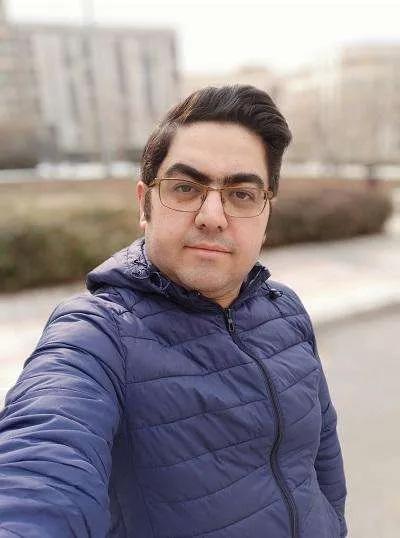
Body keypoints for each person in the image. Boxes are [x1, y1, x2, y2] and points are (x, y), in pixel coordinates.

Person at [0, 85, 347, 538]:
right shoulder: (97, 335)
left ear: (266, 214)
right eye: (185, 188)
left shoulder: (285, 311)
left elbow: (322, 461)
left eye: (242, 194)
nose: (212, 215)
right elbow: (40, 469)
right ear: (144, 203)